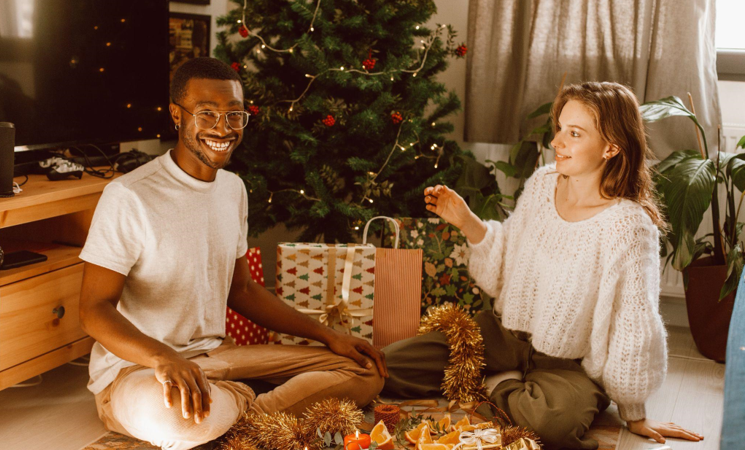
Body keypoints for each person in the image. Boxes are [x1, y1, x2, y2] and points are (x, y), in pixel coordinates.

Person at [79, 57, 386, 450]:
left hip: (218, 358)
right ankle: (245, 406)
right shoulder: (128, 196)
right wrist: (162, 358)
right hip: (138, 370)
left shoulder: (233, 189)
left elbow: (241, 290)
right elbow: (93, 309)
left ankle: (235, 409)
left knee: (364, 371)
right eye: (207, 114)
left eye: (234, 115)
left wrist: (330, 336)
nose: (223, 128)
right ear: (177, 114)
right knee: (175, 419)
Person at [382, 82, 703, 449]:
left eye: (575, 133)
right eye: (560, 129)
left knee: (551, 424)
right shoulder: (541, 184)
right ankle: (505, 378)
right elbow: (505, 261)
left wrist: (634, 413)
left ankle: (497, 382)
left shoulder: (628, 227)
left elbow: (633, 324)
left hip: (568, 366)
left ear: (611, 147)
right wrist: (468, 222)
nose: (557, 142)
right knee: (389, 364)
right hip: (504, 335)